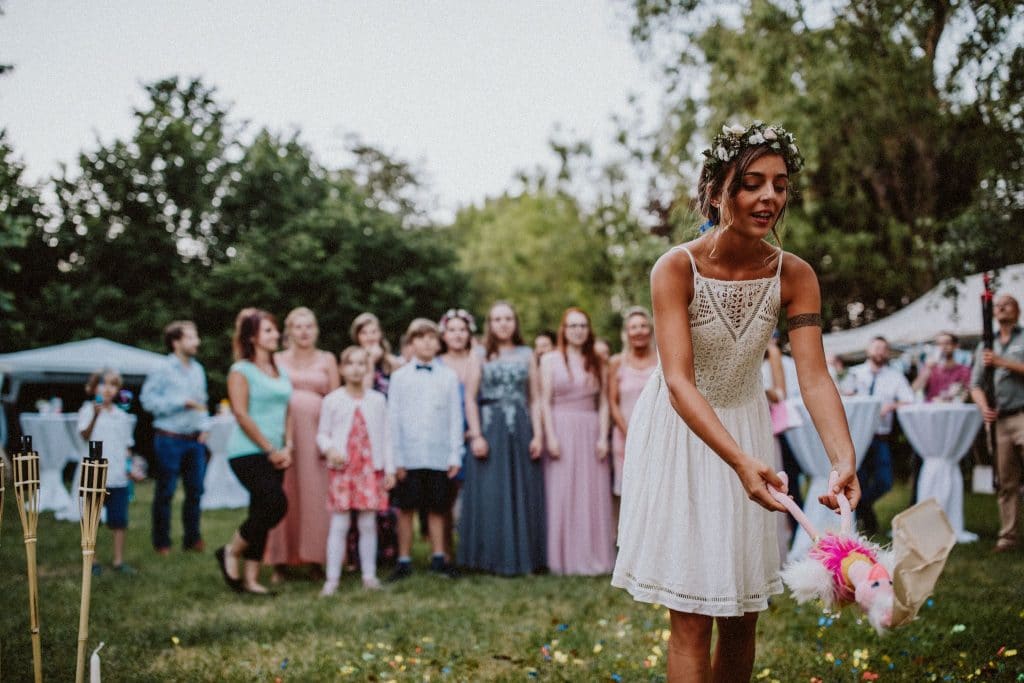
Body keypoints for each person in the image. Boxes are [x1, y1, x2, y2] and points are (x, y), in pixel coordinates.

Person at [611, 121, 860, 681]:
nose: (769, 196)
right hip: (684, 431)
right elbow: (678, 381)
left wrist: (842, 459)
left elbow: (814, 377)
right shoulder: (676, 268)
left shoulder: (794, 275)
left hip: (748, 425)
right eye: (752, 183)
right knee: (694, 615)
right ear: (718, 191)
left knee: (745, 611)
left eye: (779, 184)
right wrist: (740, 463)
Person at [458, 302, 546, 575]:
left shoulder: (527, 353)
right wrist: (476, 435)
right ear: (490, 324)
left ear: (515, 322)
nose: (503, 324)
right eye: (497, 319)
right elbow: (470, 399)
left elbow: (535, 398)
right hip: (490, 426)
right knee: (490, 493)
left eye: (508, 318)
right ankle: (488, 558)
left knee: (521, 492)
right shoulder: (480, 354)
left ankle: (524, 557)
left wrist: (538, 435)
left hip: (520, 427)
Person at [216, 309, 293, 595]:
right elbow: (240, 413)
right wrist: (269, 449)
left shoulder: (279, 371)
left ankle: (250, 579)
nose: (276, 335)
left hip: (278, 452)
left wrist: (288, 447)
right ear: (252, 337)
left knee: (260, 510)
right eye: (269, 331)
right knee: (275, 504)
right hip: (247, 452)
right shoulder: (241, 370)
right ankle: (230, 551)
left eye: (275, 330)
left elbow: (287, 411)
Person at [264, 307, 340, 581]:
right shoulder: (276, 359)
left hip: (317, 437)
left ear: (316, 330)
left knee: (315, 495)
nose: (304, 331)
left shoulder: (327, 359)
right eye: (298, 326)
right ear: (289, 331)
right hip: (283, 435)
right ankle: (279, 560)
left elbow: (336, 399)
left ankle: (316, 558)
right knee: (282, 492)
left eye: (309, 326)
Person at [540, 306, 615, 575]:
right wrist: (550, 435)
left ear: (589, 330)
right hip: (560, 426)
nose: (578, 331)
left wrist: (603, 437)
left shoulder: (597, 359)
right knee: (561, 492)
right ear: (564, 330)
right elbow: (544, 402)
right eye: (572, 326)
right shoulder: (549, 360)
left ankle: (593, 556)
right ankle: (561, 558)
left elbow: (604, 401)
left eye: (582, 325)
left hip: (590, 428)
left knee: (590, 493)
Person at [386, 318, 463, 580]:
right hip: (409, 454)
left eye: (432, 337)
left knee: (438, 507)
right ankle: (404, 559)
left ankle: (439, 557)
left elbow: (455, 417)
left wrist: (454, 454)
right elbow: (393, 419)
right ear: (411, 343)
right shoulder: (399, 377)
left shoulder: (449, 377)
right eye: (421, 337)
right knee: (406, 508)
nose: (427, 342)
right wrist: (396, 458)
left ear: (439, 342)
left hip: (439, 454)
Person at [318, 346, 395, 594]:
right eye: (350, 363)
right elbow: (323, 433)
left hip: (369, 470)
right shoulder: (332, 400)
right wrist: (330, 449)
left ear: (367, 368)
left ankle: (369, 575)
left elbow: (387, 436)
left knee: (367, 523)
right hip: (343, 469)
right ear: (341, 368)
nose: (356, 369)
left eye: (361, 363)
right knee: (339, 524)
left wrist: (389, 469)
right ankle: (332, 579)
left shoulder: (378, 400)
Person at [140, 320, 210, 555]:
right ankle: (162, 542)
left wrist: (205, 426)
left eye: (196, 337)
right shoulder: (162, 368)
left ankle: (192, 538)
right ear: (176, 342)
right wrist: (180, 403)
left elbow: (202, 402)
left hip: (194, 440)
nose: (197, 342)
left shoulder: (198, 370)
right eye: (191, 337)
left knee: (196, 490)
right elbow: (147, 401)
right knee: (166, 491)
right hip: (169, 437)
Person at [970, 294, 1024, 553]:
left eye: (1007, 304)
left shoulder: (1022, 339)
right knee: (1006, 480)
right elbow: (975, 385)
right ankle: (1008, 536)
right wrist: (983, 407)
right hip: (1000, 420)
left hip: (1022, 414)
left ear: (1017, 311)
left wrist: (1001, 362)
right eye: (998, 305)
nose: (1000, 307)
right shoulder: (985, 345)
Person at [845, 336, 914, 535]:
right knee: (860, 479)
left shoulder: (895, 377)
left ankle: (863, 508)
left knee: (884, 481)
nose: (880, 352)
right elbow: (843, 397)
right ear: (868, 350)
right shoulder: (854, 373)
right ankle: (864, 521)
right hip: (857, 437)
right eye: (876, 347)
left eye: (884, 349)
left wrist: (891, 405)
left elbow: (909, 400)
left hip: (880, 436)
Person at [78, 368, 141, 574]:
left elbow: (127, 446)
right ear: (94, 387)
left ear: (118, 390)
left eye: (113, 385)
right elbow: (84, 436)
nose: (108, 389)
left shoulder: (122, 416)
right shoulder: (87, 410)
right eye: (104, 384)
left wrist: (131, 468)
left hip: (117, 476)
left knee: (119, 521)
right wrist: (95, 416)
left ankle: (118, 560)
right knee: (92, 519)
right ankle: (92, 560)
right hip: (94, 475)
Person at [436, 308, 480, 559]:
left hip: (474, 432)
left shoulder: (478, 360)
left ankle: (471, 547)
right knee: (446, 497)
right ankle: (446, 551)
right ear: (444, 334)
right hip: (445, 435)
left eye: (462, 329)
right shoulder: (438, 363)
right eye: (452, 329)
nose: (457, 334)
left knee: (472, 495)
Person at [608, 306, 657, 525]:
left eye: (643, 326)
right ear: (626, 333)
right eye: (633, 327)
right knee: (627, 490)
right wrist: (629, 433)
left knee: (655, 489)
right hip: (624, 438)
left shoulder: (662, 358)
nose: (638, 331)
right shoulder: (617, 362)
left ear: (650, 330)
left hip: (657, 436)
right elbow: (612, 402)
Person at [351, 312, 403, 396]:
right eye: (363, 333)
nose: (369, 337)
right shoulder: (353, 361)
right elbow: (364, 392)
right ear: (357, 336)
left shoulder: (392, 360)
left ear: (380, 333)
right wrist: (371, 360)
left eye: (373, 332)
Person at [913, 332, 971, 402]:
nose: (942, 347)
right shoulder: (930, 369)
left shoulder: (964, 370)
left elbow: (969, 393)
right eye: (939, 344)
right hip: (932, 410)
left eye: (947, 343)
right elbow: (915, 389)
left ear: (956, 346)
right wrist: (928, 368)